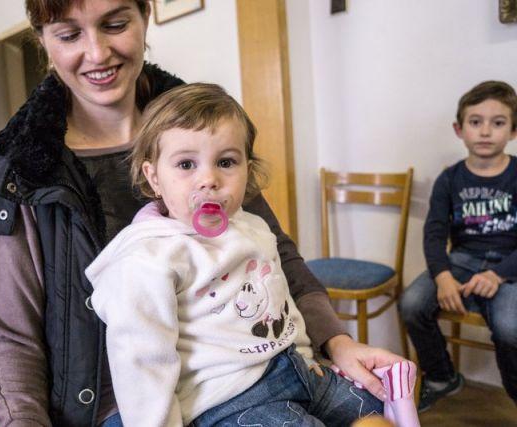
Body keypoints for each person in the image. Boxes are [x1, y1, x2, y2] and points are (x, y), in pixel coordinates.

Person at [0, 1, 402, 425]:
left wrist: (337, 341)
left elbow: (277, 259)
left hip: (263, 371)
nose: (98, 53)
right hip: (116, 410)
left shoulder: (207, 131)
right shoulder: (18, 169)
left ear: (146, 16)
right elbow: (11, 340)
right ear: (43, 41)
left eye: (116, 24)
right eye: (69, 35)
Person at [86, 82, 390, 426]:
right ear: (154, 177)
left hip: (297, 369)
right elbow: (142, 366)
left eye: (226, 162)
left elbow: (280, 299)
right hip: (230, 401)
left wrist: (307, 354)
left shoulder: (254, 226)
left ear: (248, 169)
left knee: (376, 407)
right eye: (186, 164)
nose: (209, 179)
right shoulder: (147, 259)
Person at [399, 80, 517, 412]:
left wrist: (498, 274)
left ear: (513, 131)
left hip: (510, 266)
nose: (485, 131)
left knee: (510, 329)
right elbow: (434, 234)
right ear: (459, 129)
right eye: (475, 122)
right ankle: (442, 376)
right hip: (462, 259)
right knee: (411, 303)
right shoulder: (449, 179)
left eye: (498, 123)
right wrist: (443, 277)